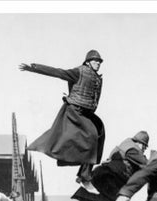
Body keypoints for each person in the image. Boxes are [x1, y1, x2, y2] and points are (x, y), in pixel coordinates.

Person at [19, 50, 104, 186]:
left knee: (100, 132)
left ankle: (84, 173)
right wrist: (35, 67)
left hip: (87, 112)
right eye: (95, 61)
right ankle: (85, 176)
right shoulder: (79, 72)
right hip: (75, 111)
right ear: (88, 62)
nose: (98, 64)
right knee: (92, 136)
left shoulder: (97, 78)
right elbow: (58, 72)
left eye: (99, 62)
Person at [71, 131, 150, 201]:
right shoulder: (133, 150)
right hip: (109, 177)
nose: (144, 149)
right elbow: (148, 165)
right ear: (139, 143)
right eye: (144, 146)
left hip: (105, 175)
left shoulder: (126, 145)